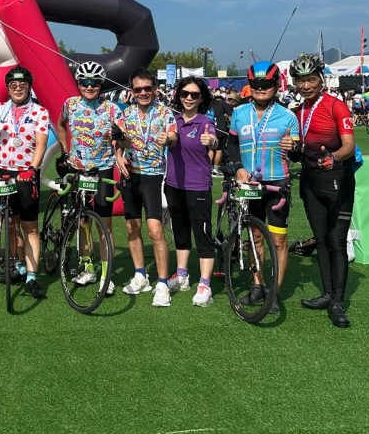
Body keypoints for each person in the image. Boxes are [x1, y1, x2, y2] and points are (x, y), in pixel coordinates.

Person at [225, 61, 299, 314]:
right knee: (254, 237)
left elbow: (298, 153)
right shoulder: (239, 112)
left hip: (276, 185)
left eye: (266, 84)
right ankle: (258, 285)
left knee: (278, 241)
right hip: (249, 184)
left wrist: (295, 148)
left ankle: (273, 293)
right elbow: (232, 145)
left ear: (276, 85)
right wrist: (238, 168)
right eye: (255, 84)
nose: (260, 88)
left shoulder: (288, 116)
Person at [289, 53, 356, 328]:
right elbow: (298, 150)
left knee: (336, 241)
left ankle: (338, 301)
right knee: (321, 240)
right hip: (310, 182)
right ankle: (327, 293)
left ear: (321, 80)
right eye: (301, 80)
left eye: (311, 80)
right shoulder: (297, 111)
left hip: (337, 178)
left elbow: (349, 145)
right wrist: (291, 150)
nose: (306, 85)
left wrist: (334, 158)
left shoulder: (336, 106)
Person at [0, 65, 49, 300]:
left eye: (22, 85)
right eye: (13, 85)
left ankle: (33, 276)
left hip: (26, 172)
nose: (18, 88)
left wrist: (32, 169)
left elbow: (41, 144)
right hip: (3, 172)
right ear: (7, 88)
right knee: (11, 223)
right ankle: (18, 267)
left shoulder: (39, 112)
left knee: (30, 227)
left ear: (29, 86)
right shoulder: (0, 108)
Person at [56, 61, 123, 298]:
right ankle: (88, 267)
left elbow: (123, 139)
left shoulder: (113, 108)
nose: (89, 86)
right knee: (82, 222)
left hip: (102, 169)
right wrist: (65, 150)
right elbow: (60, 124)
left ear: (101, 84)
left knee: (105, 226)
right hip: (77, 169)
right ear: (78, 84)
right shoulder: (70, 104)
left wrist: (120, 137)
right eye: (84, 82)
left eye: (94, 82)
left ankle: (107, 275)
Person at [114, 67, 177, 306]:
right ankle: (140, 274)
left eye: (147, 88)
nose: (143, 92)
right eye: (138, 89)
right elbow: (118, 140)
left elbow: (174, 136)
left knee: (155, 231)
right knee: (132, 227)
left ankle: (162, 283)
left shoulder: (164, 112)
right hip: (131, 176)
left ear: (155, 89)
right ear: (132, 91)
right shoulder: (125, 113)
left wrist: (168, 139)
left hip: (154, 176)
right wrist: (118, 156)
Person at [164, 76, 219, 307]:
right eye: (185, 93)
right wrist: (166, 137)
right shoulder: (172, 120)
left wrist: (212, 141)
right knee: (181, 231)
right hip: (174, 185)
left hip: (198, 186)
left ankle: (205, 283)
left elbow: (214, 141)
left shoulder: (205, 122)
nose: (188, 98)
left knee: (202, 234)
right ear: (178, 96)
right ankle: (182, 274)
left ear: (201, 98)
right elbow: (171, 139)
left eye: (194, 95)